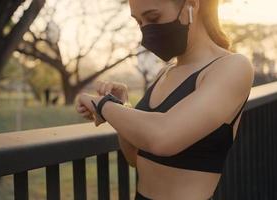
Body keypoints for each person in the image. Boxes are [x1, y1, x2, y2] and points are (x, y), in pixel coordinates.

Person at [76, 0, 254, 199]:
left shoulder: (232, 66)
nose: (146, 30)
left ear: (192, 5)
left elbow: (162, 137)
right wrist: (122, 106)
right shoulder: (164, 74)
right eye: (139, 22)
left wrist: (102, 105)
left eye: (153, 17)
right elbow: (135, 158)